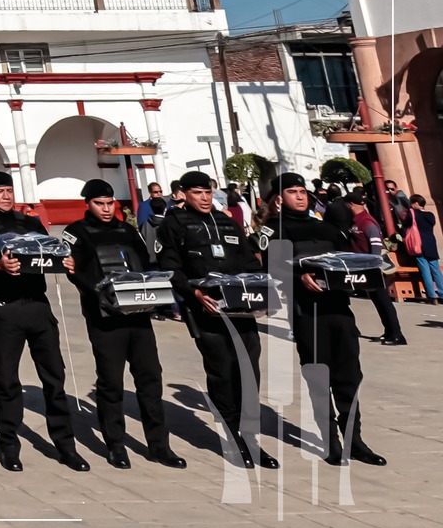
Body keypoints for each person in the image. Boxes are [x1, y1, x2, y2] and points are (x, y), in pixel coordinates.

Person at [0, 170, 85, 472]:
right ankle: (9, 446)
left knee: (54, 378)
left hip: (38, 307)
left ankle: (66, 445)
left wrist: (68, 263)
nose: (6, 196)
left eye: (9, 190)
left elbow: (51, 253)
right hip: (5, 308)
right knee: (6, 380)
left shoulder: (30, 222)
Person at [60, 179, 185, 469]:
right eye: (99, 204)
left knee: (150, 380)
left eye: (109, 203)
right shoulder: (75, 232)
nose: (106, 209)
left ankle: (158, 446)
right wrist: (105, 293)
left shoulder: (127, 230)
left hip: (139, 316)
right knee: (111, 383)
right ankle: (116, 445)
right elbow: (74, 271)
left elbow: (145, 264)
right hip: (105, 319)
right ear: (87, 204)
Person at [155, 169, 276, 468]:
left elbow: (249, 261)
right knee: (222, 373)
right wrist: (192, 294)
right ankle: (232, 436)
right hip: (206, 310)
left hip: (241, 309)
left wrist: (264, 291)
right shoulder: (173, 225)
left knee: (249, 373)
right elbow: (170, 267)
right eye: (197, 193)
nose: (205, 198)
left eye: (208, 192)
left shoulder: (227, 222)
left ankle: (250, 437)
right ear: (184, 194)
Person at [269, 173, 386, 466]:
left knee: (349, 376)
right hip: (307, 312)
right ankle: (329, 441)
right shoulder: (274, 230)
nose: (300, 196)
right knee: (319, 376)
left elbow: (348, 260)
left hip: (339, 309)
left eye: (302, 191)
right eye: (292, 192)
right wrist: (299, 276)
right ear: (279, 198)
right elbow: (272, 269)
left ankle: (354, 440)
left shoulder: (326, 229)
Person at [342, 190, 407, 345]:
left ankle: (397, 335)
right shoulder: (356, 220)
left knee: (384, 301)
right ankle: (388, 332)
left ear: (350, 205)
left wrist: (374, 265)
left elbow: (376, 243)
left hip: (373, 267)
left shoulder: (367, 221)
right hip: (364, 266)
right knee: (377, 300)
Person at [410, 194, 441, 303]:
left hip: (418, 244)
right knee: (436, 270)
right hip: (431, 242)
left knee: (425, 271)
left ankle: (432, 296)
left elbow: (406, 223)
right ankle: (442, 292)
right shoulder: (430, 215)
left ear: (416, 203)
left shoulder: (414, 215)